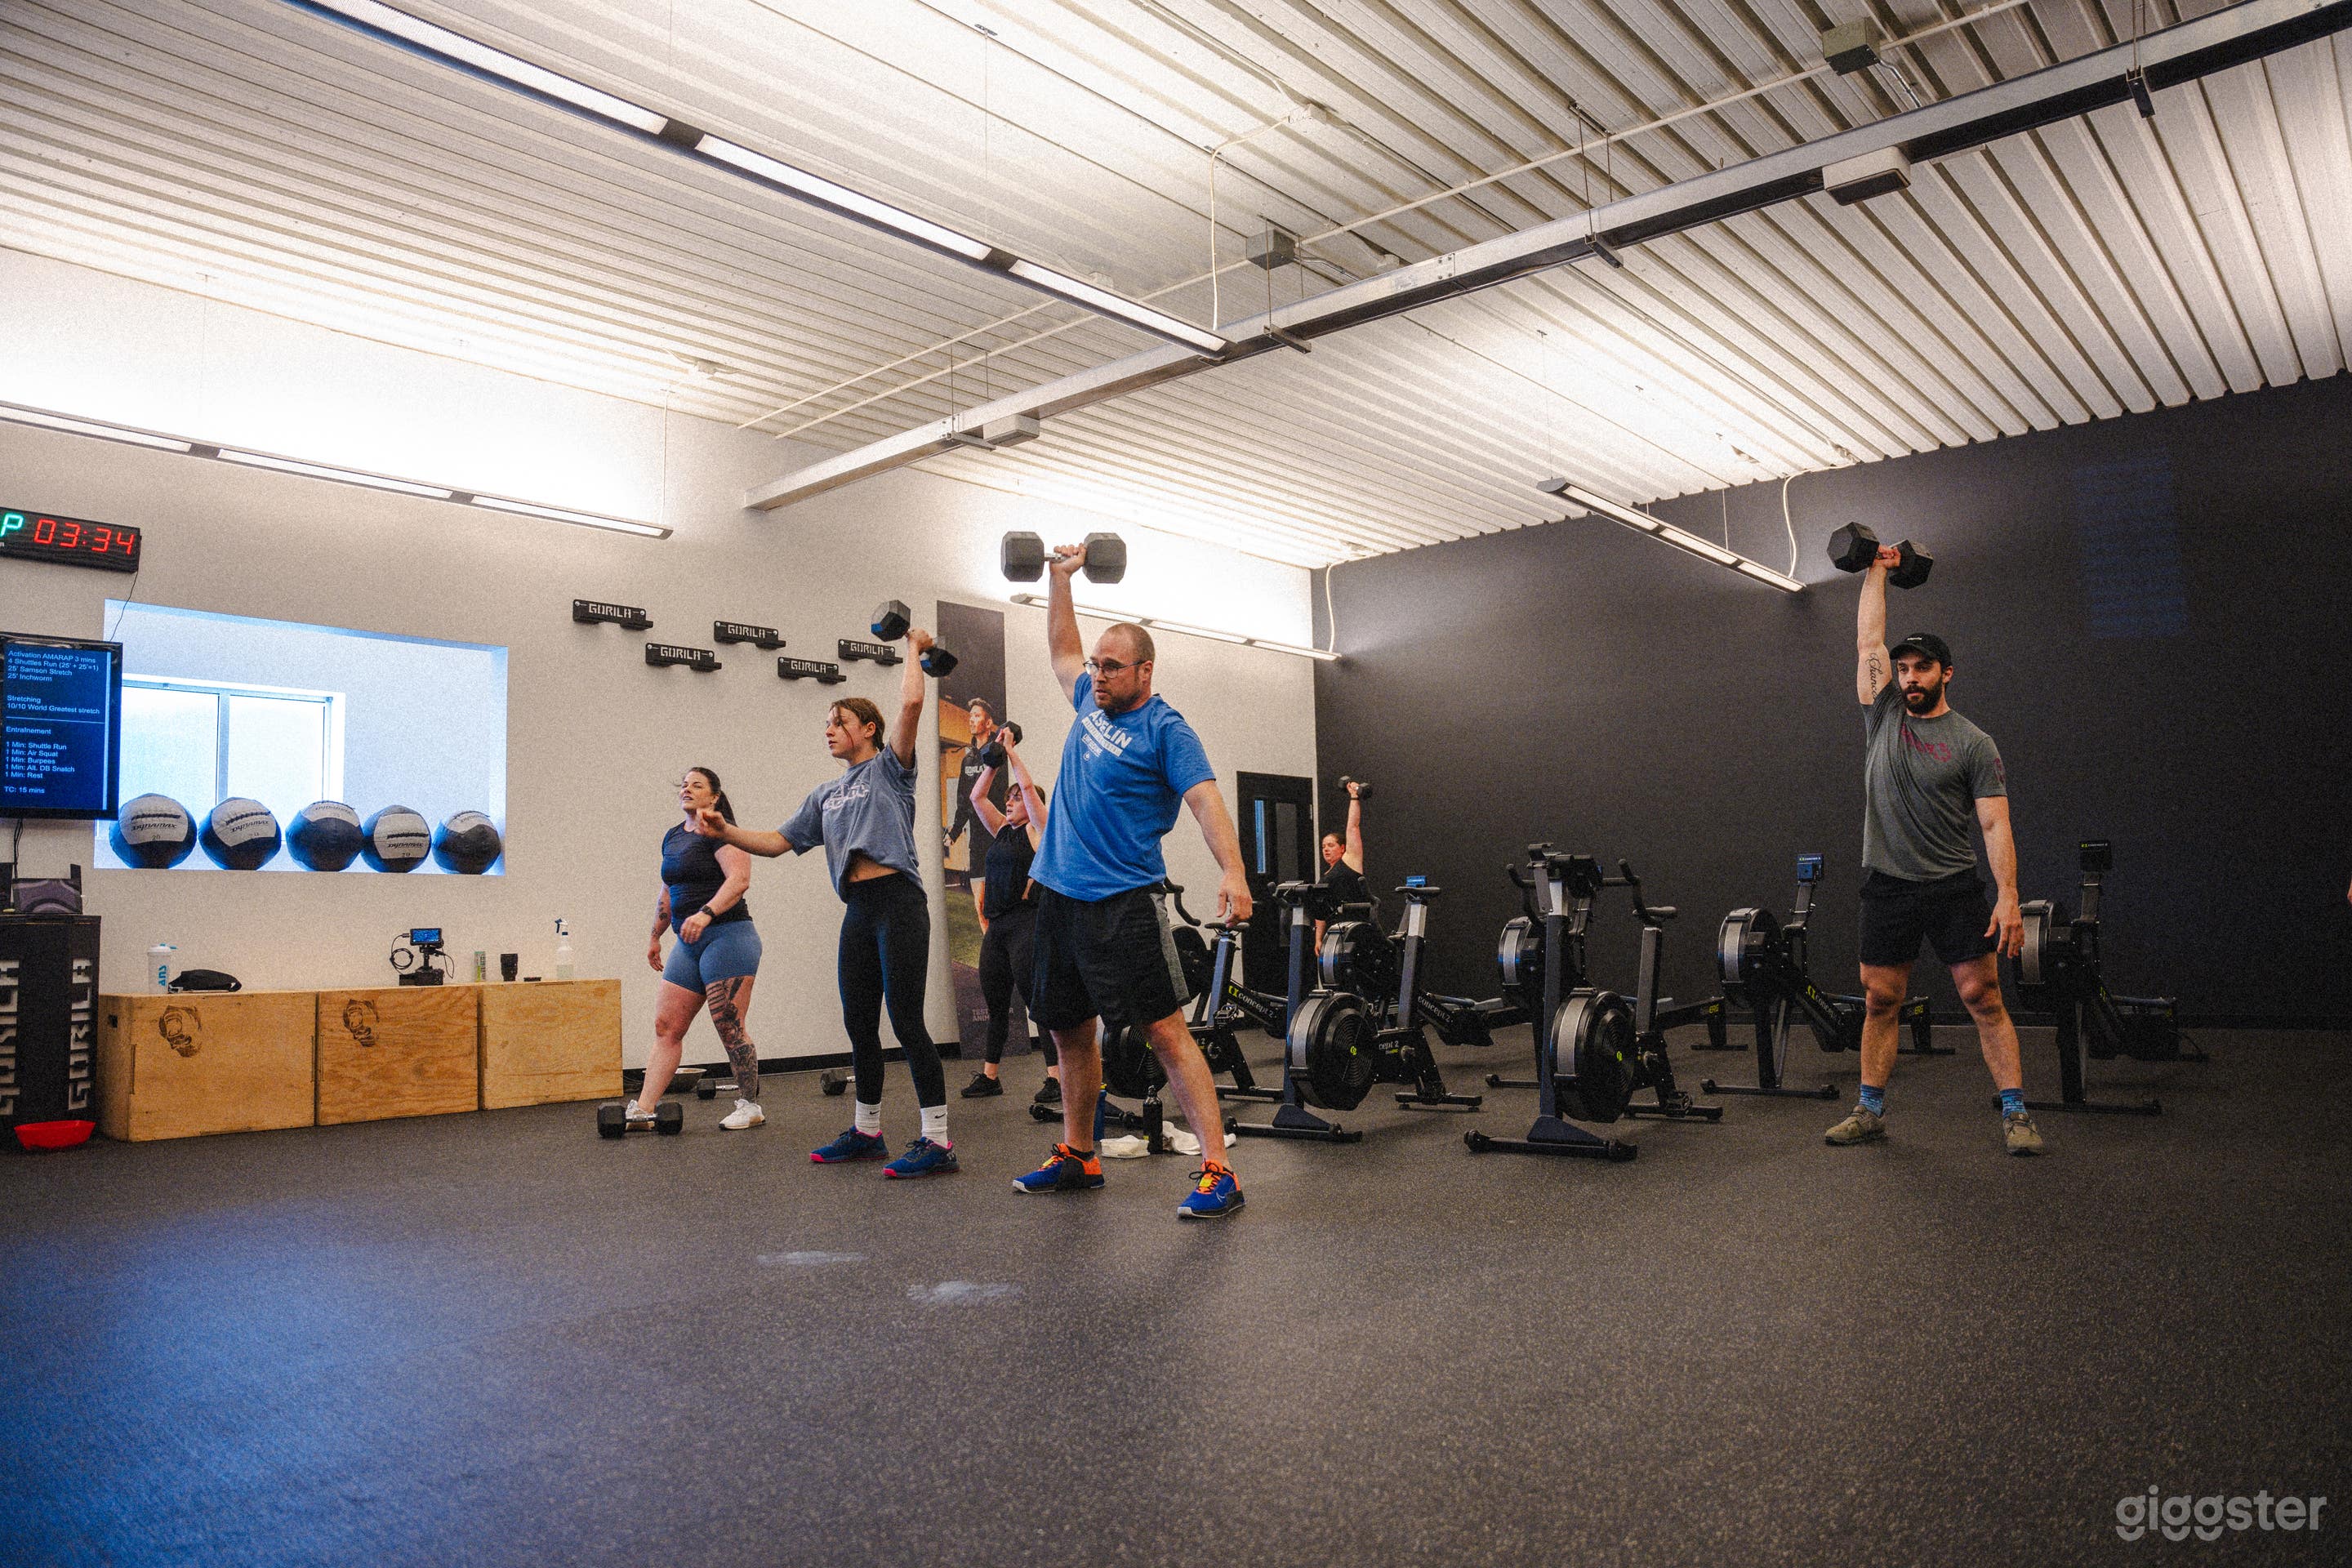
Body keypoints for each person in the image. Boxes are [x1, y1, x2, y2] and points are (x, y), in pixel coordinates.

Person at [1010, 539, 1255, 1218]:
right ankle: (1080, 1153)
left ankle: (1218, 1169)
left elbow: (1206, 801)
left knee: (1166, 1032)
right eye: (1097, 666)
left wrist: (1233, 872)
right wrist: (1061, 580)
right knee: (1067, 1030)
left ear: (1146, 671)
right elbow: (1062, 648)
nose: (1098, 676)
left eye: (1113, 668)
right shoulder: (1089, 698)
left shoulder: (1166, 730)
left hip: (1124, 899)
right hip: (1059, 894)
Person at [693, 627, 956, 1178]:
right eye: (826, 726)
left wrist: (914, 646)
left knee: (906, 1020)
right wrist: (725, 830)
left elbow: (911, 700)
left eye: (837, 722)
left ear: (868, 729)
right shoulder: (825, 794)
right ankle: (867, 1132)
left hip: (899, 901)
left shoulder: (891, 769)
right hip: (858, 909)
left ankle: (937, 1141)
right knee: (859, 1022)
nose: (829, 732)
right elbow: (777, 842)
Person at [1829, 544, 2042, 1156]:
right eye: (1903, 670)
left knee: (1983, 997)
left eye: (1922, 669)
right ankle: (1869, 1110)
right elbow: (1869, 641)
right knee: (1880, 998)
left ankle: (2016, 1112)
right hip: (1889, 886)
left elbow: (1996, 827)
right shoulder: (1882, 717)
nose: (1909, 678)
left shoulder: (1974, 742)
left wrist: (2008, 896)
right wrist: (1878, 568)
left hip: (1952, 887)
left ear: (1945, 673)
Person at [635, 767, 764, 1129]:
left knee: (729, 1024)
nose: (687, 789)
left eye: (697, 785)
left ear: (715, 797)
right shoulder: (674, 837)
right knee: (667, 1027)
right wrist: (655, 935)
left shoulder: (723, 833)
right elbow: (667, 891)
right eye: (684, 785)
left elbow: (740, 880)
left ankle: (750, 1105)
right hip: (688, 943)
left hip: (729, 936)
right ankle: (644, 1110)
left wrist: (706, 914)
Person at [959, 728, 1061, 1104]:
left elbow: (1030, 790)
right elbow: (976, 796)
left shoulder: (1038, 830)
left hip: (1027, 924)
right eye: (1011, 797)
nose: (1013, 800)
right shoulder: (1002, 828)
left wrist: (1013, 754)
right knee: (996, 1002)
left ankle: (1054, 1078)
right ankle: (990, 1077)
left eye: (1018, 797)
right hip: (998, 927)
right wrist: (992, 760)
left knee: (1037, 1003)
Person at [944, 698, 1002, 863]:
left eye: (977, 716)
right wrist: (954, 832)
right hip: (976, 839)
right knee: (978, 886)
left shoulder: (999, 755)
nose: (971, 720)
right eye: (971, 716)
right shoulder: (968, 760)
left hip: (997, 835)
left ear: (988, 722)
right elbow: (964, 801)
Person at [1314, 777, 1368, 948]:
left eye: (1331, 845)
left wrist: (1354, 797)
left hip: (1356, 931)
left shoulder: (1350, 861)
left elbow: (1353, 827)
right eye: (1323, 846)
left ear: (1343, 848)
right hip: (1334, 934)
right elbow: (1320, 912)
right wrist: (1318, 938)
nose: (1326, 849)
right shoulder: (1324, 877)